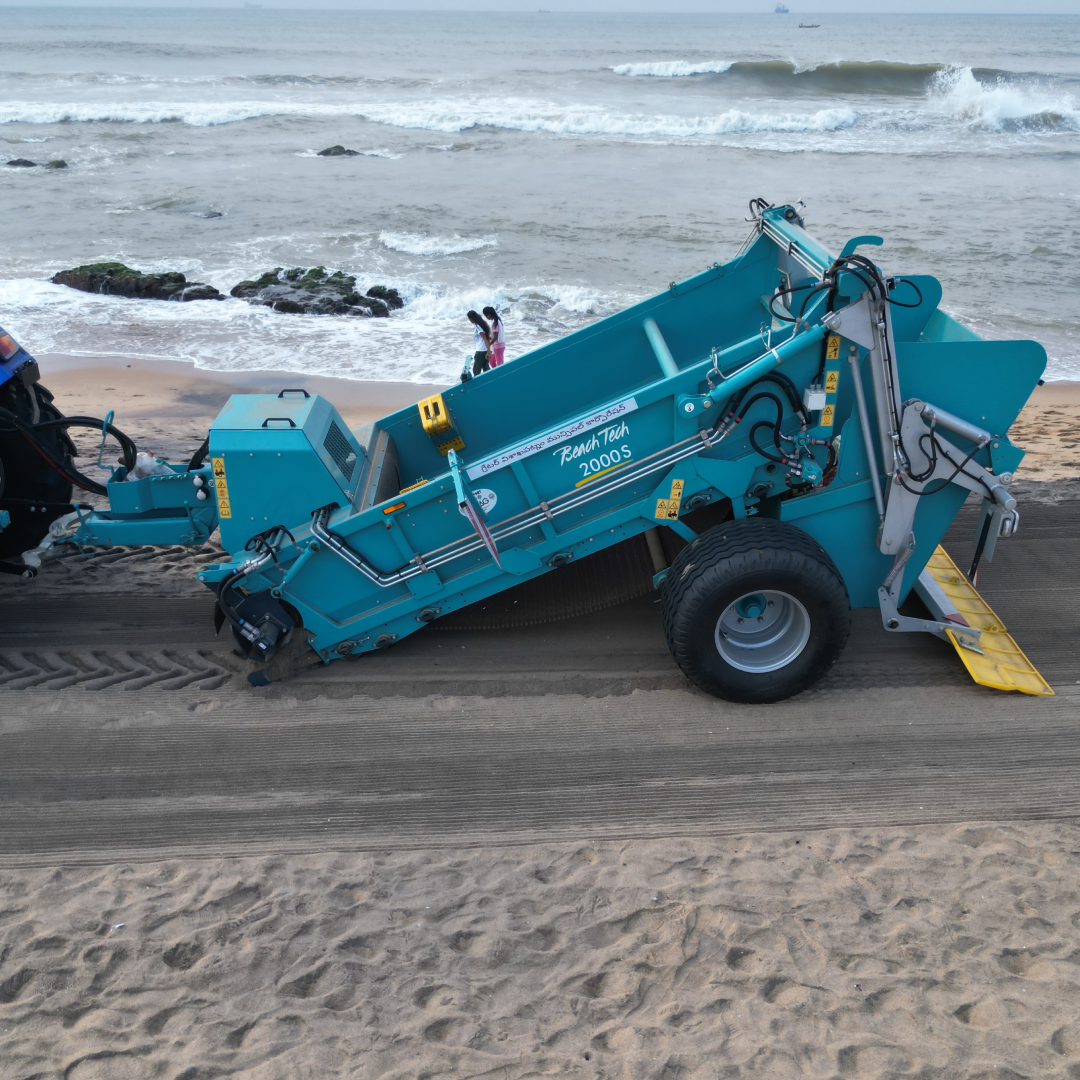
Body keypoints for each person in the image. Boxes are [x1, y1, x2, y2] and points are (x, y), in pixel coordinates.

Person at [466, 310, 491, 377]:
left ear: (471, 318)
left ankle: (477, 385)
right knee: (486, 369)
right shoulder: (482, 325)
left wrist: (489, 351)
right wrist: (488, 351)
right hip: (484, 349)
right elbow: (487, 338)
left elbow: (485, 339)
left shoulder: (478, 326)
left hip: (481, 350)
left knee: (476, 370)